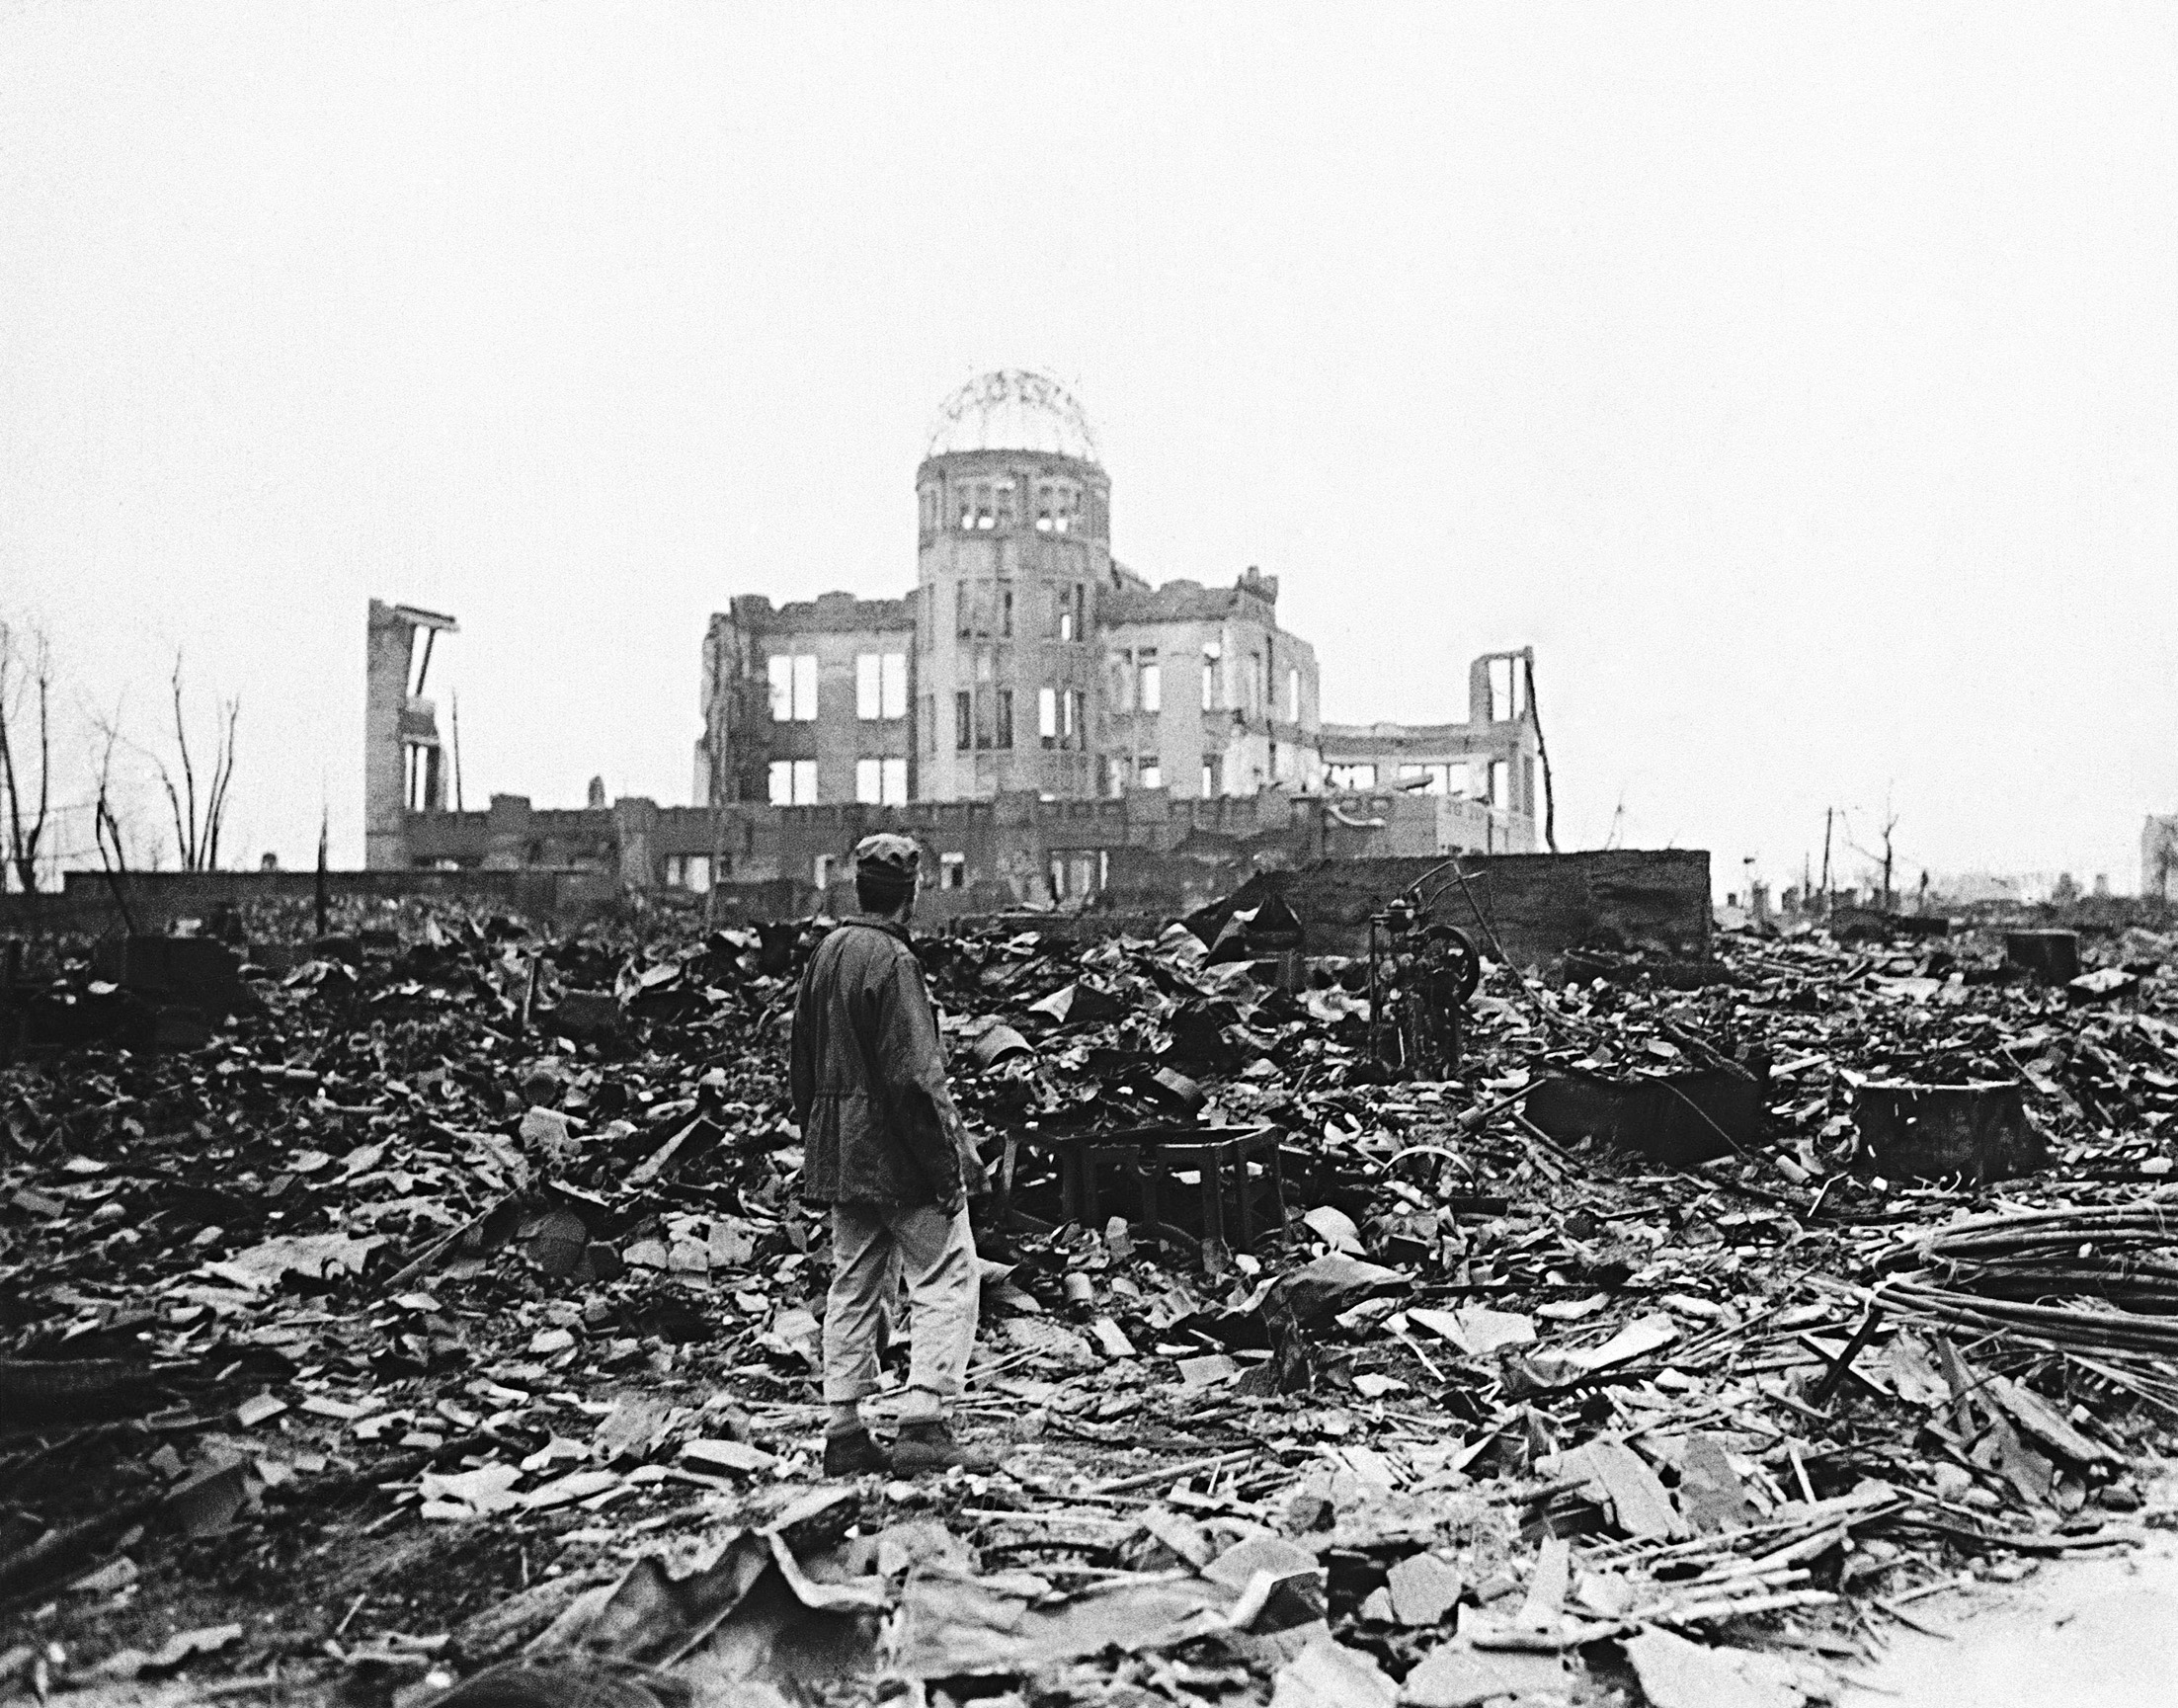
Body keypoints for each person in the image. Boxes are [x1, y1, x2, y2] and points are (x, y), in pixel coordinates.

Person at [789, 833, 994, 1476]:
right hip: (896, 1154)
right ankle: (924, 1422)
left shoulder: (826, 953)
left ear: (859, 887)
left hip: (842, 1154)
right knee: (946, 1273)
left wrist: (822, 1139)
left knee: (853, 1281)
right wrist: (947, 1167)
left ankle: (844, 1431)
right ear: (911, 892)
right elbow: (915, 1080)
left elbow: (800, 1061)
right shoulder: (894, 961)